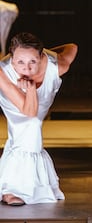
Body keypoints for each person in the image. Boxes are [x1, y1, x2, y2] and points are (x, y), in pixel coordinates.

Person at [0, 32, 77, 206]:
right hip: (14, 103)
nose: (26, 68)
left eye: (32, 61)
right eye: (20, 61)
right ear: (12, 60)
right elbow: (29, 112)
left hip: (38, 105)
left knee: (32, 128)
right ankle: (9, 189)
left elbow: (72, 47)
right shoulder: (3, 71)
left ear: (41, 58)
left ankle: (31, 186)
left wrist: (47, 53)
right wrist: (31, 89)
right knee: (29, 125)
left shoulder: (57, 66)